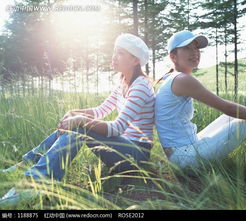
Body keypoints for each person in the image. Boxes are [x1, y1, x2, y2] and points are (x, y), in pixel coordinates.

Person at [0, 33, 155, 205]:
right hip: (121, 148)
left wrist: (80, 120)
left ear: (135, 60)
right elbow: (100, 110)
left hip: (136, 154)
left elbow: (117, 128)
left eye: (120, 53)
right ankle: (25, 167)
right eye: (114, 51)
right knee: (77, 125)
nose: (114, 57)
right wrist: (75, 113)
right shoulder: (122, 83)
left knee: (81, 128)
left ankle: (37, 182)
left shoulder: (141, 85)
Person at [155, 30, 246, 170]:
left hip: (181, 151)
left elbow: (228, 111)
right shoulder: (182, 80)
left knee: (228, 118)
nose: (195, 52)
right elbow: (226, 107)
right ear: (173, 57)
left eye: (196, 48)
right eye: (187, 48)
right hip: (184, 157)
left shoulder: (173, 78)